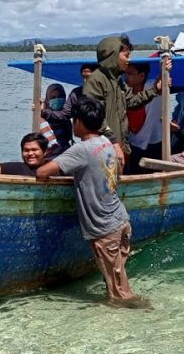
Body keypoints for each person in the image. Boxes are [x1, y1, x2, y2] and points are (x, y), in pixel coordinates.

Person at [36, 96, 146, 307]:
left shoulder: (81, 149)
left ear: (78, 122)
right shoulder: (106, 142)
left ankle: (137, 319)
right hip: (121, 220)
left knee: (118, 293)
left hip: (105, 229)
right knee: (119, 280)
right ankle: (137, 313)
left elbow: (42, 172)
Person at [83, 35, 167, 169]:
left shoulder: (117, 82)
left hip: (118, 147)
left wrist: (155, 89)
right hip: (104, 149)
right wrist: (114, 143)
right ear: (114, 55)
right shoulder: (96, 81)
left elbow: (131, 102)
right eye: (126, 56)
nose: (128, 60)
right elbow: (95, 117)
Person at [41, 64, 97, 139]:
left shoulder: (107, 92)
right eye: (83, 77)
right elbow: (64, 114)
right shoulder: (77, 93)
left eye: (89, 77)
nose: (85, 80)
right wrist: (43, 112)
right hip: (86, 135)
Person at [125, 62, 163, 174]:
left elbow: (161, 84)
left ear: (141, 76)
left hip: (154, 142)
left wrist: (164, 69)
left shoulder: (151, 86)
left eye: (130, 74)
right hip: (133, 143)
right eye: (125, 73)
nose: (126, 77)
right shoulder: (125, 89)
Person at [40, 83, 72, 152]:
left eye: (60, 96)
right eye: (53, 97)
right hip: (48, 155)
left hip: (65, 153)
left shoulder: (66, 116)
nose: (57, 99)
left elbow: (68, 136)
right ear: (48, 99)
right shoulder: (42, 115)